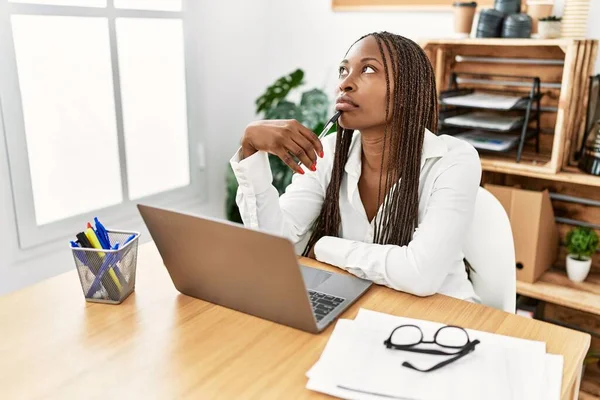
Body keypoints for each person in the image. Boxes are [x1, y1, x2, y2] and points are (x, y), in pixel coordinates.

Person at [230, 32, 481, 302]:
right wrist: (250, 149)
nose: (345, 84)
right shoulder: (328, 152)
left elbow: (419, 274)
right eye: (343, 70)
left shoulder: (453, 160)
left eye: (369, 69)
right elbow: (277, 245)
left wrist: (323, 246)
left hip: (447, 319)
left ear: (408, 90)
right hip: (364, 308)